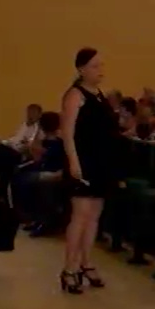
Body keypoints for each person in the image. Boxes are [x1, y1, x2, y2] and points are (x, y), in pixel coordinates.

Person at [58, 48, 121, 294]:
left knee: (94, 215)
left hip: (101, 163)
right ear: (81, 69)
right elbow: (68, 132)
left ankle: (87, 262)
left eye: (101, 66)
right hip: (83, 162)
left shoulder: (100, 95)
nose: (100, 71)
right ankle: (69, 268)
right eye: (95, 66)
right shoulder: (75, 95)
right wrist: (73, 162)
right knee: (80, 216)